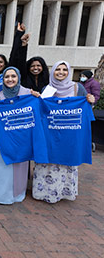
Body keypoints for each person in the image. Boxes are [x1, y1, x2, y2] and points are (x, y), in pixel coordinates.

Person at [33, 61, 95, 203]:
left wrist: (90, 101)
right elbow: (41, 110)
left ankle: (63, 192)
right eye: (57, 70)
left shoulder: (77, 88)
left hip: (70, 135)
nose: (61, 72)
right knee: (48, 162)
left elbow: (86, 109)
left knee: (67, 162)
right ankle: (43, 192)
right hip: (50, 134)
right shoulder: (47, 89)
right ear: (52, 72)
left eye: (64, 70)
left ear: (69, 72)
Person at [0, 67, 40, 204]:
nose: (10, 79)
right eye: (6, 77)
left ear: (18, 78)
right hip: (1, 139)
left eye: (13, 76)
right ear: (2, 79)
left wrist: (38, 98)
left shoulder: (28, 94)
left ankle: (16, 192)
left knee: (18, 166)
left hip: (22, 139)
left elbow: (39, 112)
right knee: (0, 163)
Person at [9, 23, 50, 92]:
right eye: (32, 66)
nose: (35, 68)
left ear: (43, 67)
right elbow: (18, 59)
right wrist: (23, 44)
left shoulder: (48, 79)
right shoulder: (24, 77)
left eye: (38, 65)